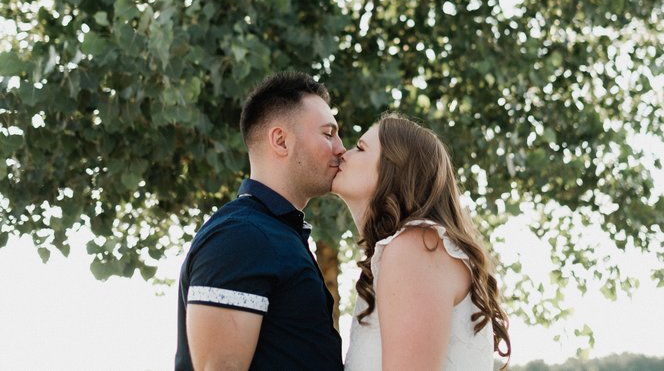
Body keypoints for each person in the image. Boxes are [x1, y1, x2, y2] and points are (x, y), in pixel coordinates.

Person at [175, 72, 346, 370]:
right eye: (328, 134)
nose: (341, 148)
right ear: (281, 140)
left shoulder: (274, 234)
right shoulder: (243, 235)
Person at [332, 113, 512, 370]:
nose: (343, 153)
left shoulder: (416, 248)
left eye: (360, 148)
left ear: (395, 169)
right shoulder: (413, 249)